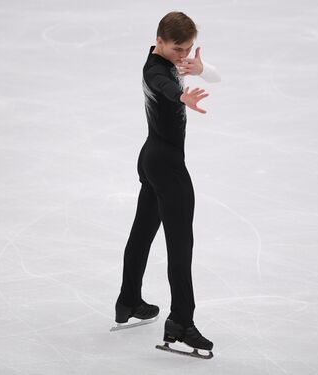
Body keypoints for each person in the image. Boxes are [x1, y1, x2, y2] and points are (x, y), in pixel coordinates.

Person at [113, 11, 220, 359]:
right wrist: (181, 98)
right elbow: (163, 86)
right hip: (167, 166)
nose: (182, 55)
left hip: (152, 156)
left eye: (187, 49)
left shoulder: (163, 59)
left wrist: (201, 70)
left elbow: (215, 77)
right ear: (159, 40)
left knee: (143, 231)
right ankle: (181, 322)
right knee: (180, 245)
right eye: (177, 48)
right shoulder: (157, 70)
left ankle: (128, 300)